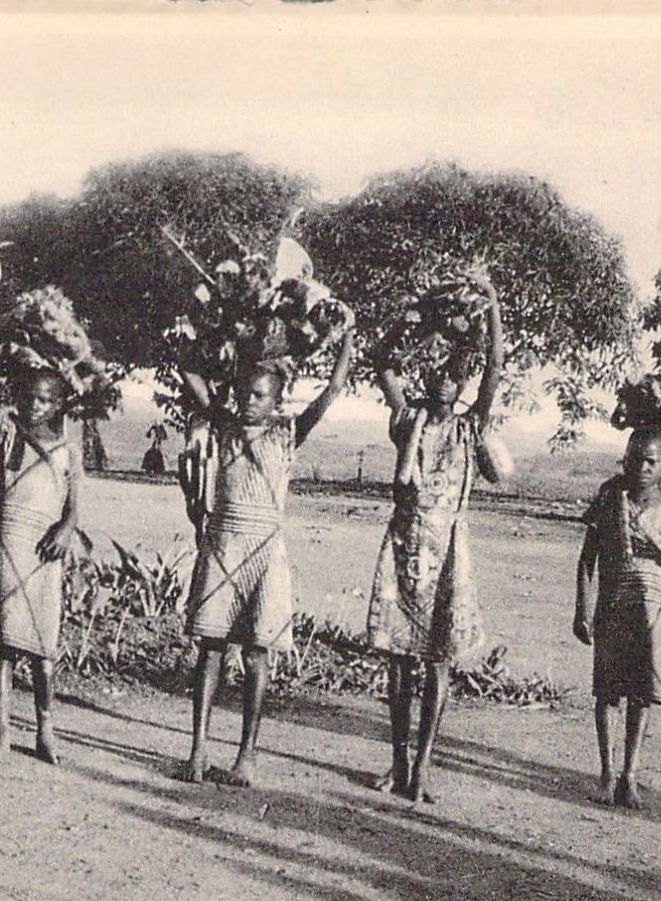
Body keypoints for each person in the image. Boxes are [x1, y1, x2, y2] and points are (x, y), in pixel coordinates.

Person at [179, 336, 354, 787]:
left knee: (257, 654)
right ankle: (197, 751)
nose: (248, 401)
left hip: (264, 552)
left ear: (278, 401)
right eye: (242, 392)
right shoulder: (223, 425)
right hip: (224, 544)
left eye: (259, 395)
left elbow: (332, 391)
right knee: (211, 648)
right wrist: (219, 325)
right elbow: (188, 371)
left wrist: (346, 336)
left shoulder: (287, 433)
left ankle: (246, 757)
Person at [366, 271, 504, 804]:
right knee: (400, 663)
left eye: (454, 372)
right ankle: (398, 763)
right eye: (437, 370)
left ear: (464, 380)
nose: (444, 379)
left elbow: (495, 365)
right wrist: (420, 319)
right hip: (404, 548)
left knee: (438, 660)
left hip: (447, 551)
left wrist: (489, 305)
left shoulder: (470, 427)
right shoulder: (407, 420)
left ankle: (423, 766)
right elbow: (383, 362)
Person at [574, 427, 661, 810]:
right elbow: (586, 560)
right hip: (612, 606)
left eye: (651, 461)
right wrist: (582, 609)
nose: (641, 468)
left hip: (652, 613)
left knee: (642, 693)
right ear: (623, 460)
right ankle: (607, 775)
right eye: (634, 459)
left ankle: (631, 775)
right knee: (608, 691)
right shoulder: (611, 500)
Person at [0, 365, 82, 764]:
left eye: (45, 399)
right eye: (29, 396)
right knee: (3, 644)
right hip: (11, 543)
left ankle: (45, 731)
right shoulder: (7, 432)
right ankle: (1, 732)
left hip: (45, 550)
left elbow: (73, 506)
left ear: (58, 404)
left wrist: (65, 530)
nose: (35, 405)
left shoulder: (68, 448)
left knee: (42, 647)